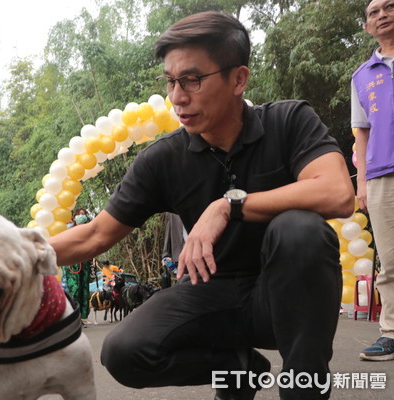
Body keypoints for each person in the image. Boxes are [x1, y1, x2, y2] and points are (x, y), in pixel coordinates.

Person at [49, 10, 354, 400]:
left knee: (299, 230)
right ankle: (239, 369)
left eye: (192, 79)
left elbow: (336, 193)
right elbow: (95, 234)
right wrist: (9, 255)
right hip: (210, 293)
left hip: (285, 298)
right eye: (171, 81)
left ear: (238, 78)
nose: (177, 96)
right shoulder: (162, 159)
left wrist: (230, 204)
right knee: (124, 352)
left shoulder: (289, 121)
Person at [350, 0, 394, 362]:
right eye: (374, 12)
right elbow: (361, 133)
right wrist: (362, 182)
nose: (382, 14)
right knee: (391, 260)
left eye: (390, 6)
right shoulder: (362, 75)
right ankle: (391, 333)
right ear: (367, 27)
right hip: (382, 174)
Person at [61, 208, 93, 326]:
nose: (81, 216)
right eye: (79, 215)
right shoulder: (68, 229)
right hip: (71, 263)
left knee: (84, 291)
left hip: (84, 262)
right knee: (74, 289)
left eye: (83, 215)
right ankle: (72, 316)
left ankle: (82, 317)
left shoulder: (89, 230)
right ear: (74, 217)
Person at [160, 212, 186, 288]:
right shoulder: (172, 212)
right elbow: (168, 230)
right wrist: (166, 254)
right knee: (182, 283)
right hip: (179, 256)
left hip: (197, 253)